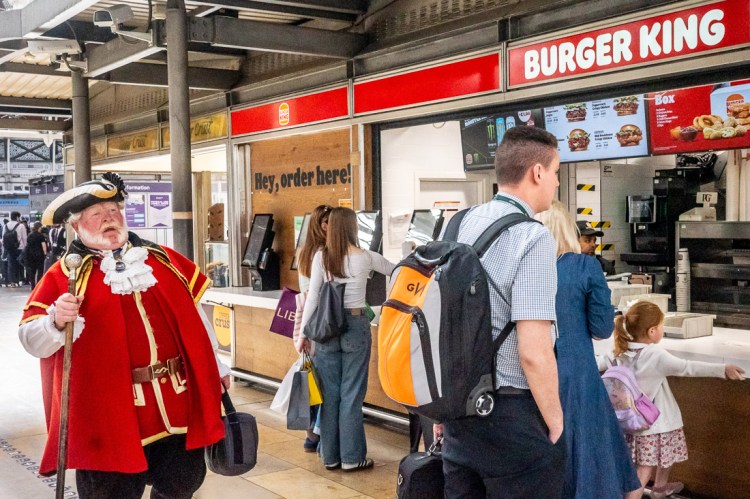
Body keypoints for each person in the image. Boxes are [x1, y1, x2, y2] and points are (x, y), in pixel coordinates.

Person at [17, 173, 230, 499]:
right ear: (77, 225)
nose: (109, 221)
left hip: (174, 403)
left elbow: (196, 320)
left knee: (181, 483)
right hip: (107, 415)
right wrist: (55, 322)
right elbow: (30, 339)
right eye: (97, 216)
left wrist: (218, 368)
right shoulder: (64, 275)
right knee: (110, 492)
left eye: (114, 213)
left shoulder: (162, 260)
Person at [435, 126, 565, 498]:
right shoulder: (533, 237)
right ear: (537, 173)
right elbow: (534, 352)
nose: (556, 183)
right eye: (555, 172)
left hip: (459, 413)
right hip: (512, 417)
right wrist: (556, 423)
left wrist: (445, 411)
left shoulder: (457, 223)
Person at [536, 201, 640, 498]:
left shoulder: (527, 270)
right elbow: (601, 329)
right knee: (597, 459)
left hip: (534, 376)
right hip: (578, 376)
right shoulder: (585, 266)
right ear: (568, 230)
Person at [611, 301, 745, 499]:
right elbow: (686, 367)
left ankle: (659, 488)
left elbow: (600, 364)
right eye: (662, 326)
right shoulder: (654, 355)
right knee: (645, 468)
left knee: (651, 460)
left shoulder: (621, 351)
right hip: (656, 424)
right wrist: (722, 369)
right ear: (652, 331)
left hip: (632, 422)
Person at [297, 207, 396, 472]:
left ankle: (331, 457)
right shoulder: (365, 257)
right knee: (351, 395)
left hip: (327, 328)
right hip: (355, 326)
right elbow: (396, 270)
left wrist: (304, 333)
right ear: (352, 228)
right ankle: (352, 458)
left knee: (330, 395)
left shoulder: (321, 257)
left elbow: (314, 297)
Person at [293, 203, 332, 453]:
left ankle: (310, 434)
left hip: (304, 318)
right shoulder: (324, 253)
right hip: (320, 321)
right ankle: (318, 435)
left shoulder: (303, 252)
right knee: (324, 383)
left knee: (310, 379)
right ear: (324, 225)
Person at [4, 211, 26, 287]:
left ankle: (12, 282)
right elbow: (24, 238)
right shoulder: (21, 226)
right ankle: (20, 280)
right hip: (19, 248)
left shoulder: (6, 225)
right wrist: (25, 248)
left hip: (9, 248)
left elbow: (4, 237)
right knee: (20, 265)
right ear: (17, 217)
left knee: (11, 265)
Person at [24, 221, 47, 288]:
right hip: (39, 255)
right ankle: (38, 285)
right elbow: (44, 246)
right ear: (39, 227)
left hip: (30, 255)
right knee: (40, 270)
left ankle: (32, 285)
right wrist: (45, 254)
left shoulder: (30, 235)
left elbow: (27, 245)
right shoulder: (41, 236)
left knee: (32, 271)